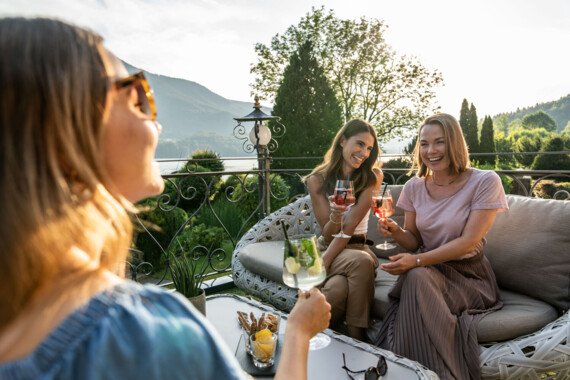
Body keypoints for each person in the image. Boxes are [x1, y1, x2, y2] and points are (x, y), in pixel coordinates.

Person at [0, 17, 330, 380]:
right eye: (138, 94)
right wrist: (298, 332)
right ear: (67, 131)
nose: (156, 121)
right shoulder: (143, 333)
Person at [373, 113, 508, 379]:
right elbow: (415, 241)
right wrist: (397, 231)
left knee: (416, 276)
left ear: (455, 144)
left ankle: (420, 372)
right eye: (424, 144)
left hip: (468, 276)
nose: (430, 151)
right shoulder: (414, 186)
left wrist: (417, 261)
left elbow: (468, 241)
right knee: (417, 277)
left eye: (439, 142)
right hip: (428, 273)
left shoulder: (484, 181)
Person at [305, 119, 382, 341]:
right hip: (329, 246)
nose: (364, 153)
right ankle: (357, 339)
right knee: (359, 264)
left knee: (338, 287)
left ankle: (346, 340)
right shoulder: (317, 181)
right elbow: (328, 234)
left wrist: (324, 264)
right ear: (342, 141)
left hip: (356, 248)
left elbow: (349, 228)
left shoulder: (372, 177)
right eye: (359, 144)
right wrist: (335, 216)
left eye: (369, 148)